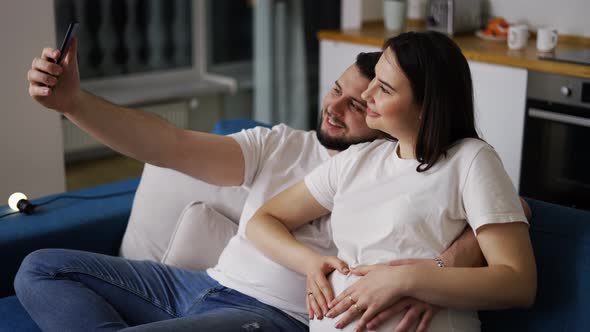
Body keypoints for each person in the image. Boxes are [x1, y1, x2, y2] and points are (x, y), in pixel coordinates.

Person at [17, 36, 529, 332]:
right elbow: (168, 145)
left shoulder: (444, 162)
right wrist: (73, 105)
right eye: (339, 89)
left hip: (269, 315)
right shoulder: (295, 149)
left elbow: (508, 208)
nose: (339, 105)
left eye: (363, 100)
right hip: (202, 285)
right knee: (42, 267)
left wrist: (445, 262)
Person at [245, 31, 537, 332]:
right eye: (375, 80)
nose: (367, 94)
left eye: (384, 89)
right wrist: (310, 263)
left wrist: (408, 280)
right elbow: (264, 220)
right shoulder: (357, 160)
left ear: (426, 106)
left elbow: (518, 282)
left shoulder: (470, 160)